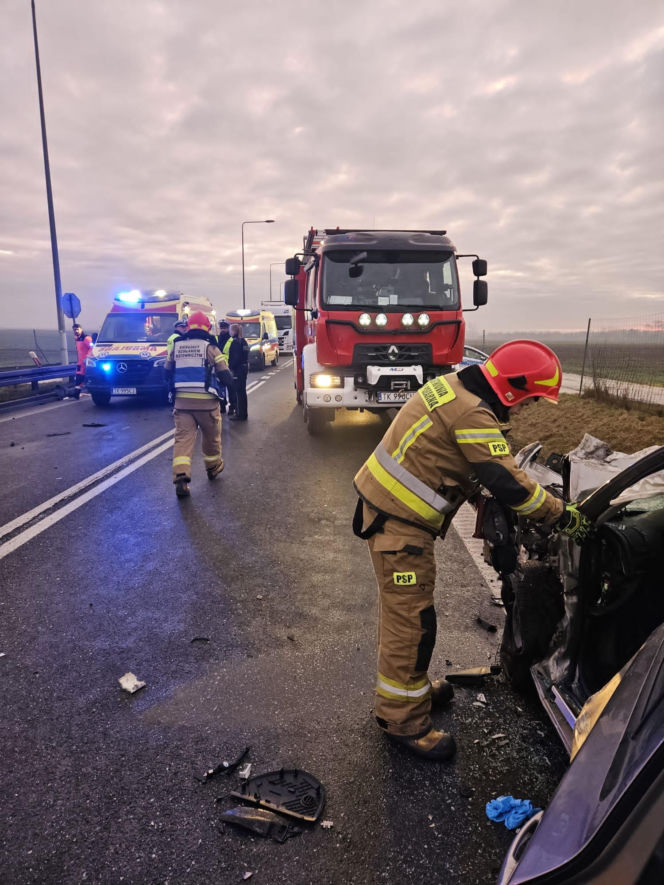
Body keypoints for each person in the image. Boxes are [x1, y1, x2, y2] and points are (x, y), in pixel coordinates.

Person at [352, 340, 592, 761]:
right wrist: (561, 514)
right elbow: (509, 483)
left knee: (407, 617)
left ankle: (413, 688)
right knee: (412, 623)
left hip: (390, 513)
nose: (524, 410)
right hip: (398, 528)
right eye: (529, 400)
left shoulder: (454, 387)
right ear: (514, 390)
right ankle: (402, 720)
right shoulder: (473, 413)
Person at [164, 311, 233, 498]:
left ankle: (181, 476)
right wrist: (231, 384)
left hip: (182, 404)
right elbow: (224, 374)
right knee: (211, 438)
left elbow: (167, 372)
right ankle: (213, 467)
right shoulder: (210, 348)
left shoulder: (177, 346)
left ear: (188, 327)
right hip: (206, 404)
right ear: (207, 328)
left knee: (183, 440)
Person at [228, 323, 250, 421]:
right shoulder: (244, 342)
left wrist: (231, 367)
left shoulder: (235, 342)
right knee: (243, 392)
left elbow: (235, 358)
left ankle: (240, 414)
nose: (230, 332)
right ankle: (244, 413)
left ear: (234, 331)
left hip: (238, 370)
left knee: (238, 392)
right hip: (244, 368)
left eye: (231, 330)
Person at [216, 321, 234, 414]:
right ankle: (222, 405)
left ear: (228, 328)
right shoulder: (216, 338)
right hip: (219, 367)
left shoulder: (231, 340)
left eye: (225, 328)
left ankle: (232, 407)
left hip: (229, 367)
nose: (223, 330)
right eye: (221, 328)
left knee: (231, 388)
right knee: (220, 388)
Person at [73, 324, 93, 389]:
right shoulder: (77, 338)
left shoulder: (86, 338)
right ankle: (77, 392)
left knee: (83, 377)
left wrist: (88, 356)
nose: (76, 331)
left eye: (77, 329)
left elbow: (92, 347)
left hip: (86, 362)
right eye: (74, 330)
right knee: (78, 377)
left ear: (81, 329)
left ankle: (77, 392)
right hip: (80, 362)